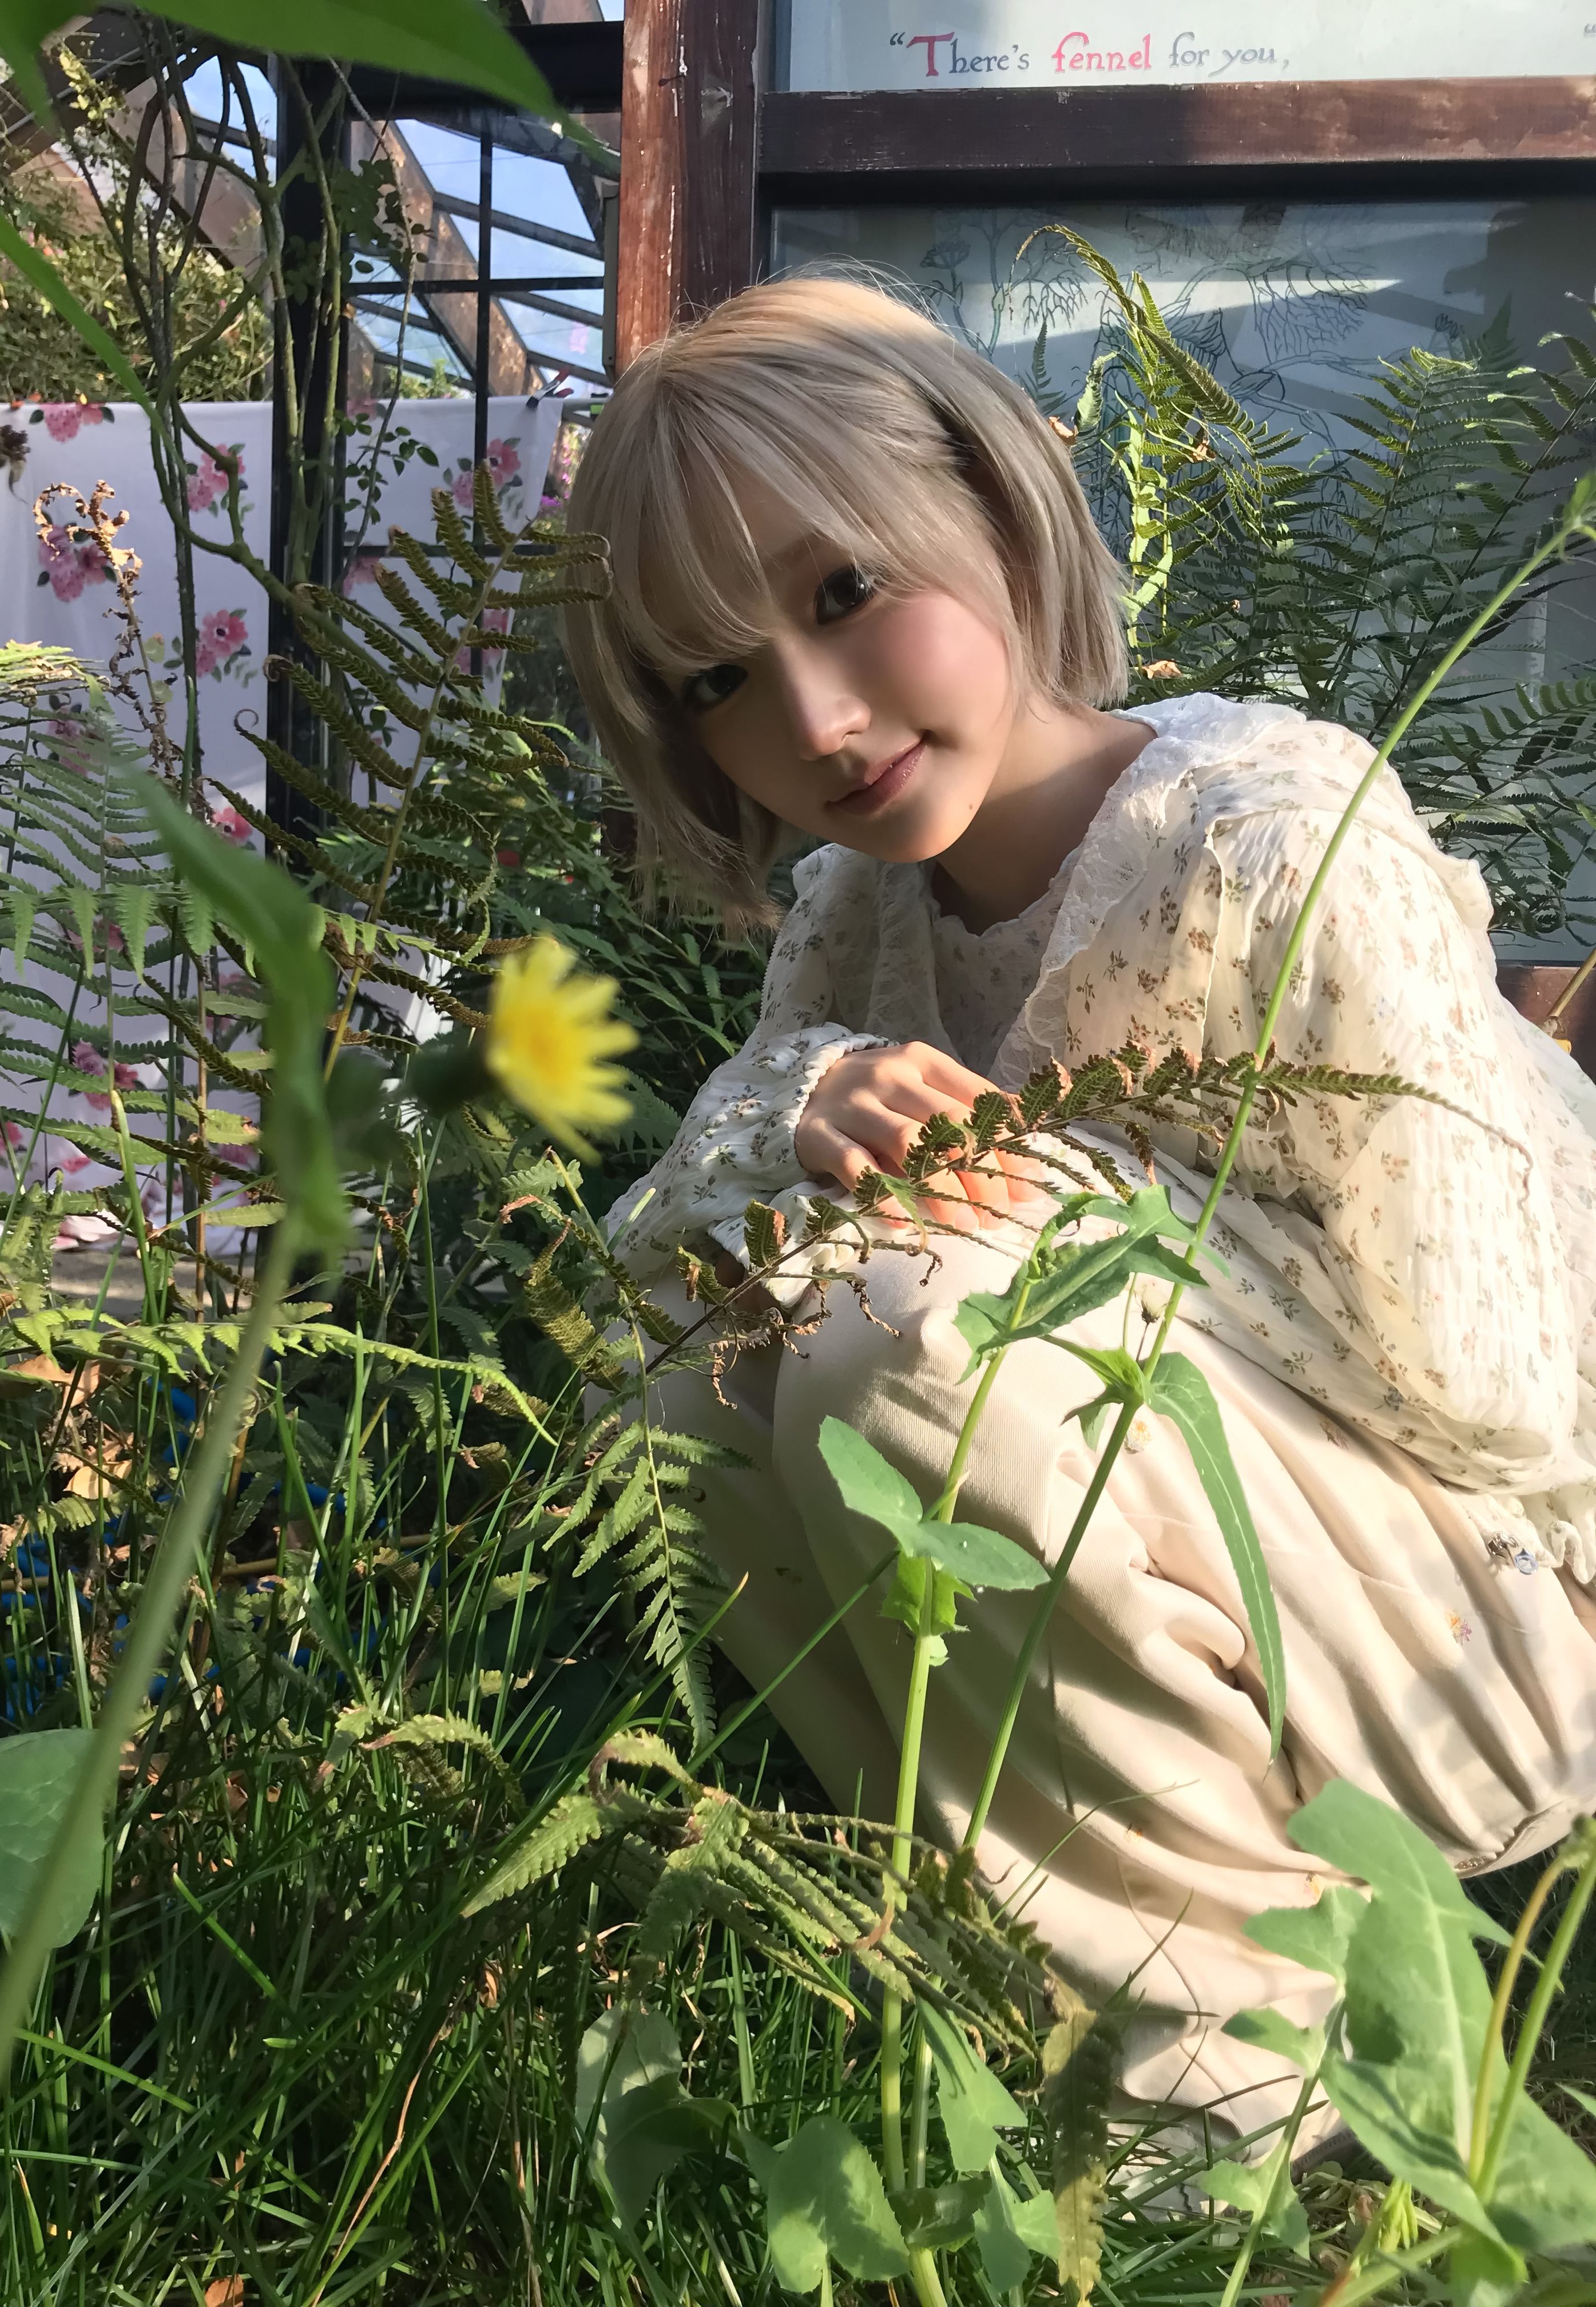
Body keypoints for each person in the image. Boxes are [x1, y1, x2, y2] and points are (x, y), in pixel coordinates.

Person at [560, 272, 1596, 2155]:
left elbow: (1493, 1386)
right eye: (716, 680)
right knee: (696, 1381)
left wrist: (1052, 1205)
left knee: (909, 1323)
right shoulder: (856, 915)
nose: (814, 716)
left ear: (985, 494)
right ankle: (1017, 1977)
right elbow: (631, 1317)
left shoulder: (1270, 838)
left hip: (1508, 1628)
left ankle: (1230, 2088)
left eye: (844, 590)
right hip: (1269, 1602)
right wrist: (781, 1107)